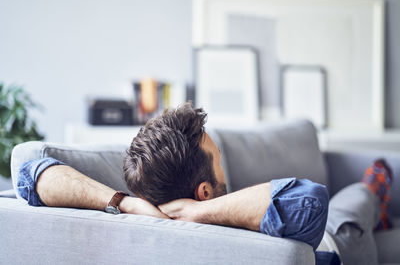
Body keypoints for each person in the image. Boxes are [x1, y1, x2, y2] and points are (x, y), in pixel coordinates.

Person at [17, 103, 394, 265]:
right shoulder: (184, 219)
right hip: (340, 240)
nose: (225, 171)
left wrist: (130, 202)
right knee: (361, 194)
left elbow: (31, 171)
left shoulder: (158, 209)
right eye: (219, 162)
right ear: (204, 191)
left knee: (356, 195)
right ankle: (379, 182)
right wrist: (131, 204)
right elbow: (309, 201)